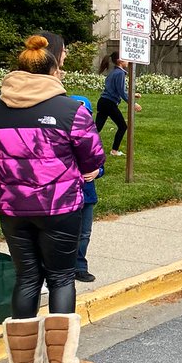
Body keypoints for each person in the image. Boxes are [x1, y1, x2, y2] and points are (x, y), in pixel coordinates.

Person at [0, 35, 105, 363]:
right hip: (59, 206)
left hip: (12, 207)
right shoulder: (71, 110)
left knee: (27, 277)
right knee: (60, 277)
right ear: (54, 69)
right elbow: (93, 158)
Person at [68, 94, 104, 283]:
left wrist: (98, 171)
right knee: (65, 233)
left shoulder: (92, 141)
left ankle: (79, 266)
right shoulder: (59, 141)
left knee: (84, 233)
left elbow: (100, 163)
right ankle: (63, 266)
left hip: (87, 195)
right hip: (67, 196)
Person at [95, 52, 141, 155]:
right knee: (122, 126)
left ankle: (81, 145)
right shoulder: (120, 73)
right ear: (120, 61)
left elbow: (117, 90)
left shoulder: (114, 72)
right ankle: (114, 151)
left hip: (103, 102)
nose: (128, 61)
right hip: (109, 103)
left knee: (96, 128)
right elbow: (121, 92)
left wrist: (133, 95)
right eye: (126, 59)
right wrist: (133, 104)